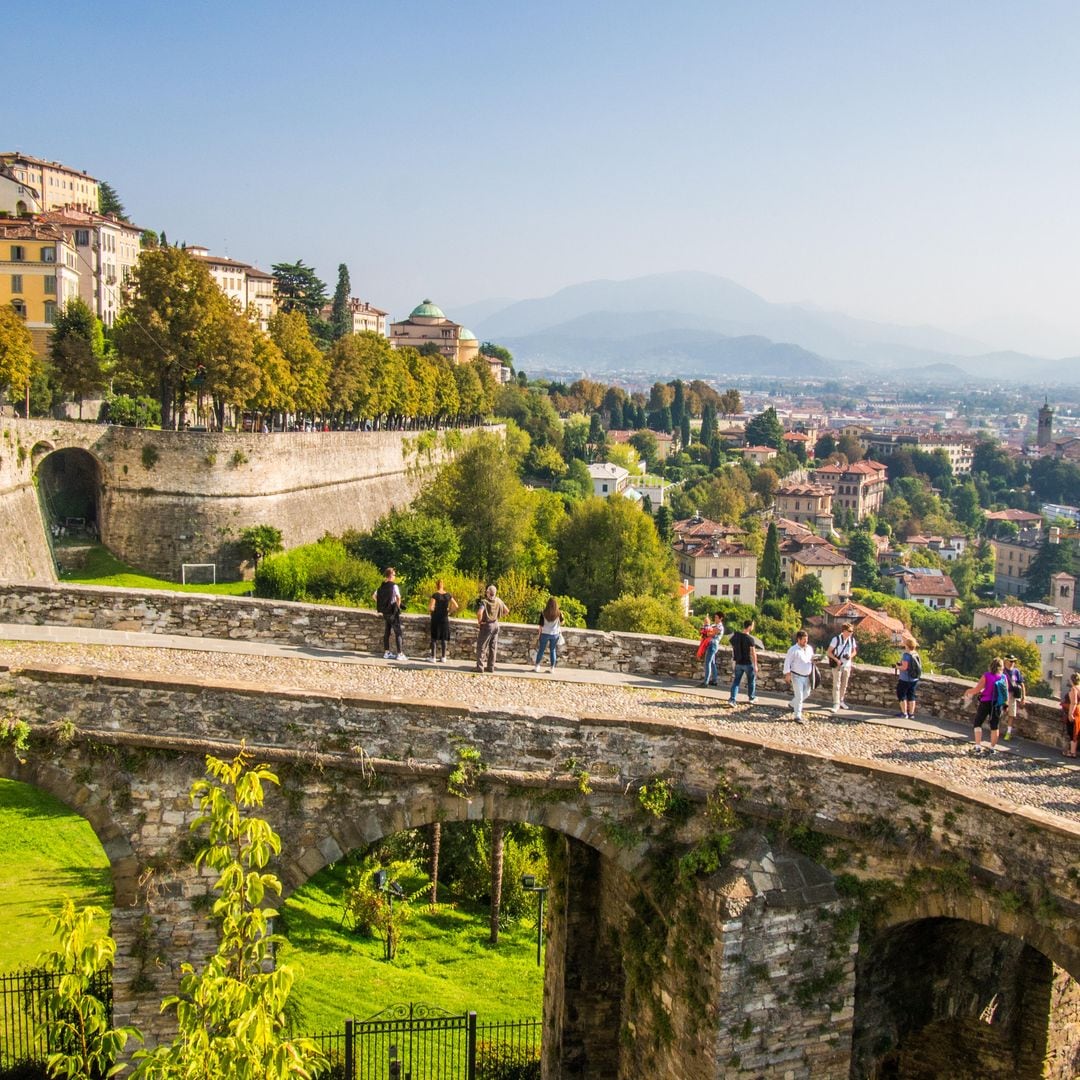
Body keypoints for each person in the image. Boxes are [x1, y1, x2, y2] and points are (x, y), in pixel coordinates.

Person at [962, 657, 1008, 753]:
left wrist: (967, 691)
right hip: (997, 704)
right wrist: (1005, 705)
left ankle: (978, 746)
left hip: (986, 702)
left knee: (978, 723)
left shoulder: (987, 676)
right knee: (994, 726)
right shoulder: (1004, 677)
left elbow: (977, 690)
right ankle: (992, 748)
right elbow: (1005, 692)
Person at [783, 629, 815, 724]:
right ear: (799, 639)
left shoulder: (809, 648)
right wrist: (788, 674)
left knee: (807, 693)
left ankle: (792, 704)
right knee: (799, 696)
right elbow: (787, 662)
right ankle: (797, 715)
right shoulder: (793, 650)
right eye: (804, 640)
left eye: (807, 639)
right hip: (796, 676)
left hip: (807, 676)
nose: (806, 642)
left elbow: (811, 659)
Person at [373, 567, 404, 660]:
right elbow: (398, 597)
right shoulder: (394, 586)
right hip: (392, 612)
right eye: (394, 575)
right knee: (398, 632)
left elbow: (374, 596)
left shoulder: (382, 586)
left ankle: (387, 652)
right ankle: (400, 654)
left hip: (385, 612)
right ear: (390, 575)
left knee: (387, 632)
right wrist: (397, 607)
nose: (395, 576)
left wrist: (381, 603)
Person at [475, 585, 509, 673]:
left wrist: (480, 621)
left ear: (488, 593)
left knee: (481, 646)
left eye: (486, 592)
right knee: (493, 647)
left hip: (487, 625)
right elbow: (507, 611)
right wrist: (498, 616)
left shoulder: (484, 602)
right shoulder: (499, 601)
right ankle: (491, 667)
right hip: (496, 625)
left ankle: (480, 667)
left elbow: (479, 613)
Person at [826, 622, 857, 714]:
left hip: (847, 665)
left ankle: (841, 700)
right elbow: (828, 652)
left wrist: (850, 656)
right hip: (838, 665)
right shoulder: (836, 640)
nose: (851, 633)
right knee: (836, 685)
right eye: (850, 631)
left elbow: (854, 651)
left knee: (844, 684)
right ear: (844, 631)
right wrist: (837, 660)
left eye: (852, 631)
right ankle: (836, 703)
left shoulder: (851, 640)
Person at [727, 618, 758, 707]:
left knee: (736, 681)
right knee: (751, 681)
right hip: (747, 663)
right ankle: (751, 698)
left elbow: (733, 647)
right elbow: (753, 653)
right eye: (752, 625)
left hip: (738, 662)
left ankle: (732, 699)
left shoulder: (736, 636)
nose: (753, 627)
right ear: (749, 627)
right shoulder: (750, 639)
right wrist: (755, 665)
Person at [428, 580, 458, 662]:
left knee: (434, 637)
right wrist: (449, 611)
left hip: (436, 617)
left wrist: (432, 611)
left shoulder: (435, 595)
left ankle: (433, 657)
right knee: (444, 637)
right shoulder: (448, 595)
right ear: (443, 585)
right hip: (444, 618)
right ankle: (444, 657)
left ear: (436, 585)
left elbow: (431, 607)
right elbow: (456, 605)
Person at [895, 634, 921, 719]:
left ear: (907, 645)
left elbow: (904, 667)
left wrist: (897, 666)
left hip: (905, 679)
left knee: (901, 695)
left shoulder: (906, 655)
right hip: (914, 678)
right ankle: (911, 714)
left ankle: (904, 713)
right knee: (911, 695)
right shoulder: (915, 654)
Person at [534, 596, 562, 672]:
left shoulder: (543, 613)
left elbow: (540, 625)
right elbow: (562, 622)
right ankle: (552, 668)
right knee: (552, 650)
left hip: (545, 633)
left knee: (541, 650)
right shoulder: (559, 613)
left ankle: (537, 666)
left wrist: (539, 635)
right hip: (555, 634)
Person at [1003, 655, 1026, 741]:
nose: (1013, 663)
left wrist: (1023, 697)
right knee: (999, 712)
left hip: (1012, 695)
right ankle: (995, 729)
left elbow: (1021, 684)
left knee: (1011, 714)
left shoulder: (1016, 671)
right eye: (1011, 661)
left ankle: (1008, 733)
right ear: (1006, 661)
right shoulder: (1002, 670)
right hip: (1002, 694)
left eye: (1014, 661)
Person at [698, 614, 720, 687]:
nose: (715, 618)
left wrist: (706, 633)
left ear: (720, 618)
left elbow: (711, 634)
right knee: (712, 663)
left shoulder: (719, 626)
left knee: (707, 663)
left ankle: (706, 682)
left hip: (712, 644)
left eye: (716, 617)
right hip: (712, 644)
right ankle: (714, 680)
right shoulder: (713, 626)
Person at [1064, 672, 1080, 758]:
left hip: (1074, 711)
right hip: (1079, 710)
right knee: (1076, 731)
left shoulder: (1074, 689)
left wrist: (1070, 714)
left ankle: (1072, 752)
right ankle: (1073, 751)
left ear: (1071, 680)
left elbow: (1074, 702)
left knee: (1072, 731)